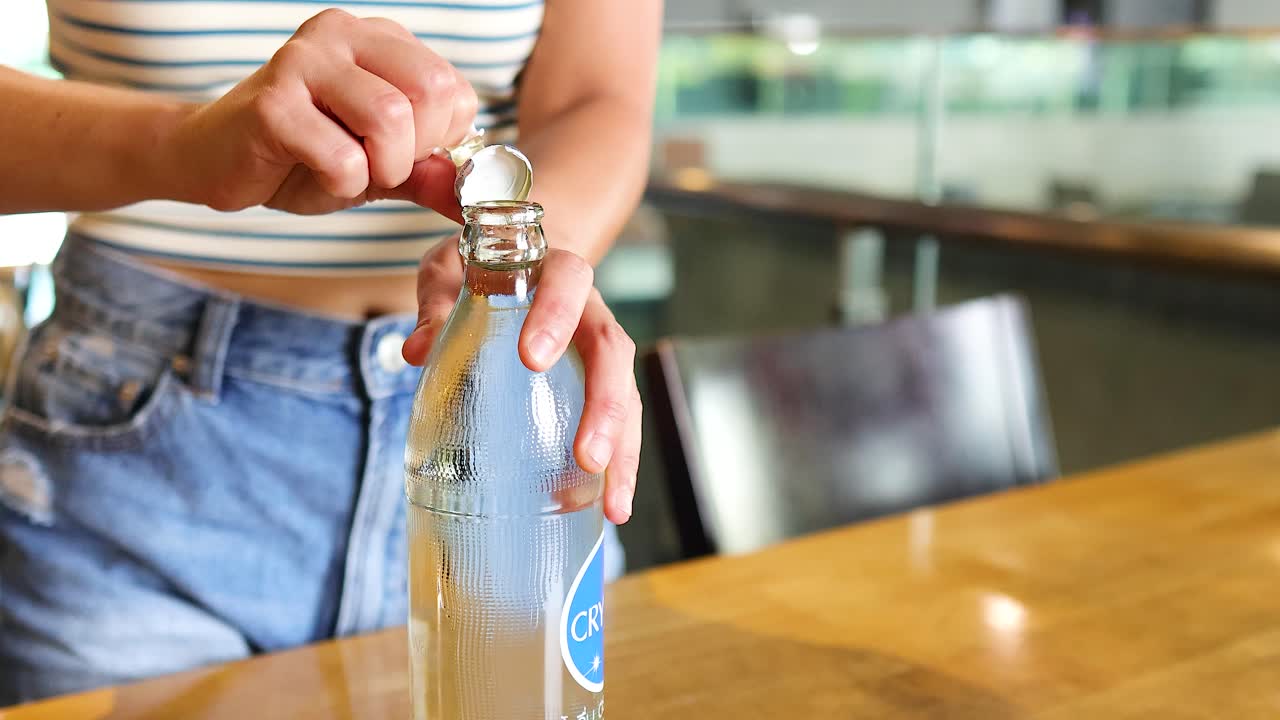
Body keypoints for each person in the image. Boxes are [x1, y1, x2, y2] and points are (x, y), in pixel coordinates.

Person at [0, 0, 661, 704]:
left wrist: (519, 274)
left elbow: (601, 100)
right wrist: (186, 144)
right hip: (136, 469)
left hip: (499, 429)